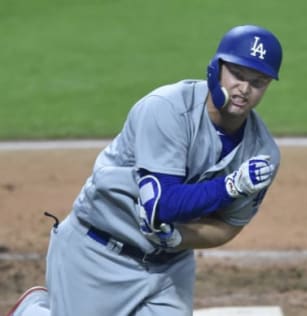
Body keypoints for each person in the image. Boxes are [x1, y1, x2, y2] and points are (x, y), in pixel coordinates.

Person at [7, 24, 283, 316]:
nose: (245, 88)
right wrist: (230, 187)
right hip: (97, 251)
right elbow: (164, 204)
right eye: (238, 75)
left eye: (258, 81)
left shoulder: (261, 153)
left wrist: (180, 239)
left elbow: (229, 226)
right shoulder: (166, 109)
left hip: (169, 268)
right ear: (216, 69)